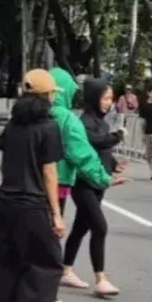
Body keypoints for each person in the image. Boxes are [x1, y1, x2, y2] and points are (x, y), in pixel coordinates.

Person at [0, 69, 65, 302]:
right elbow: (49, 173)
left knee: (5, 268)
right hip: (33, 206)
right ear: (47, 96)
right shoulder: (48, 127)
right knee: (47, 265)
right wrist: (56, 213)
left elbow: (4, 158)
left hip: (5, 203)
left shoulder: (13, 126)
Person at [61, 78, 126, 297]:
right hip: (83, 183)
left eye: (111, 98)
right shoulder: (83, 122)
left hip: (99, 182)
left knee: (81, 227)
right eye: (105, 98)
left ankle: (65, 268)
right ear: (94, 98)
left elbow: (103, 150)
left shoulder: (102, 122)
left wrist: (115, 165)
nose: (109, 103)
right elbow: (96, 143)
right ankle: (101, 279)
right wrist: (117, 137)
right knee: (100, 226)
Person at [48, 68, 112, 219]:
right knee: (50, 234)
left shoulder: (23, 112)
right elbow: (80, 153)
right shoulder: (66, 118)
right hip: (57, 181)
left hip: (20, 188)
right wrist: (104, 177)